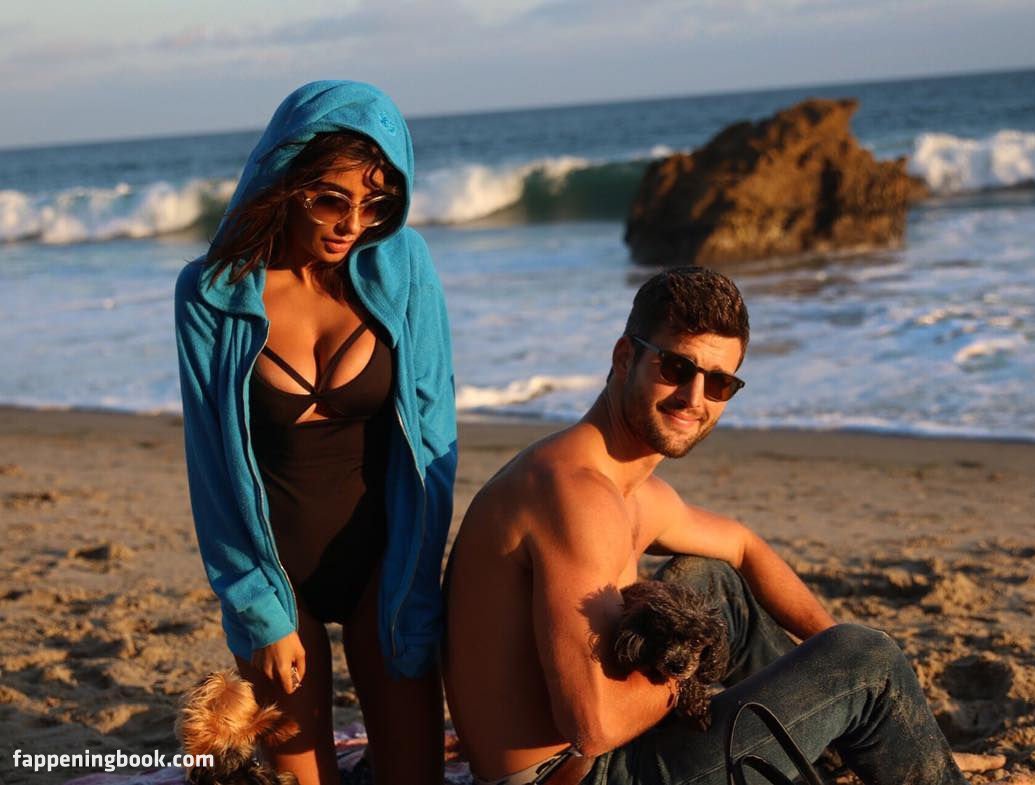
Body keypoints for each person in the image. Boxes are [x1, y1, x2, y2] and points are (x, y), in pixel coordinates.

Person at [443, 267, 968, 785]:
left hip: (599, 759)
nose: (694, 399)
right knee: (868, 658)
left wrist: (825, 656)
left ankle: (845, 737)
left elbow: (741, 545)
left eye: (718, 383)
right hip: (579, 774)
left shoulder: (627, 486)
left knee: (711, 581)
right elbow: (594, 726)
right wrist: (691, 668)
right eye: (676, 367)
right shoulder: (576, 495)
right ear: (625, 357)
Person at [174, 81, 456, 785]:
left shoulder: (404, 266)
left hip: (384, 566)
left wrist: (416, 586)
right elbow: (212, 469)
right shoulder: (211, 292)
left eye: (377, 203)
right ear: (287, 176)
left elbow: (433, 438)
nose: (352, 223)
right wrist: (257, 611)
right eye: (332, 199)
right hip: (277, 573)